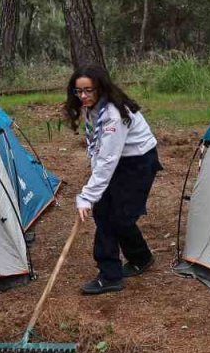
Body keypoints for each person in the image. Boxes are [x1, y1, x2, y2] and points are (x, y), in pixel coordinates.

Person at [63, 66, 163, 295]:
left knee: (117, 217)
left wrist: (87, 196)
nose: (83, 96)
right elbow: (99, 151)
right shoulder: (91, 107)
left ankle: (110, 276)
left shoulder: (113, 115)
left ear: (100, 87)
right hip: (119, 160)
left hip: (137, 162)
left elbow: (108, 159)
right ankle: (140, 258)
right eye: (78, 91)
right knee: (104, 211)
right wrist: (95, 192)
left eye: (89, 90)